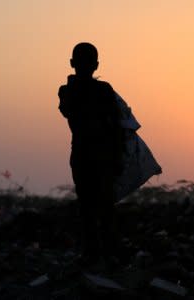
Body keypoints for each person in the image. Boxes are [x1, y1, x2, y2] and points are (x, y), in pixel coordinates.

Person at [58, 42, 124, 266]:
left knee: (93, 206)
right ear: (97, 65)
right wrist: (117, 155)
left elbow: (115, 123)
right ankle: (101, 253)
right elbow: (116, 124)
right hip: (96, 155)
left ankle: (100, 253)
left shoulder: (89, 90)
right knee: (99, 205)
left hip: (91, 155)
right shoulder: (76, 91)